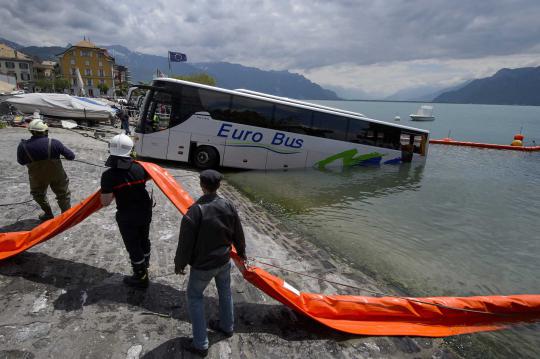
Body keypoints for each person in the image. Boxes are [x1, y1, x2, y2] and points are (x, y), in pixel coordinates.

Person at [174, 169, 246, 357]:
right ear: (218, 186)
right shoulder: (228, 205)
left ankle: (200, 344)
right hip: (224, 260)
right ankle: (227, 327)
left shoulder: (195, 211)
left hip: (203, 266)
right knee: (225, 293)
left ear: (202, 185)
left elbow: (185, 244)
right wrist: (243, 254)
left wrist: (179, 264)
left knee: (195, 297)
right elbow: (238, 233)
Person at [100, 134, 153, 288]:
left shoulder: (108, 176)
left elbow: (105, 202)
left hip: (127, 216)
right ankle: (145, 265)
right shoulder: (141, 167)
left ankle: (141, 277)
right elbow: (148, 177)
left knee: (133, 245)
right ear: (130, 150)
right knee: (144, 239)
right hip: (145, 211)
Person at [17, 117, 75, 221]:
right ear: (45, 131)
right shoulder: (55, 143)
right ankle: (66, 217)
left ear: (31, 131)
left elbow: (21, 162)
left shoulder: (22, 146)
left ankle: (48, 214)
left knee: (38, 195)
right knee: (63, 194)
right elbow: (71, 156)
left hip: (37, 176)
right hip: (57, 175)